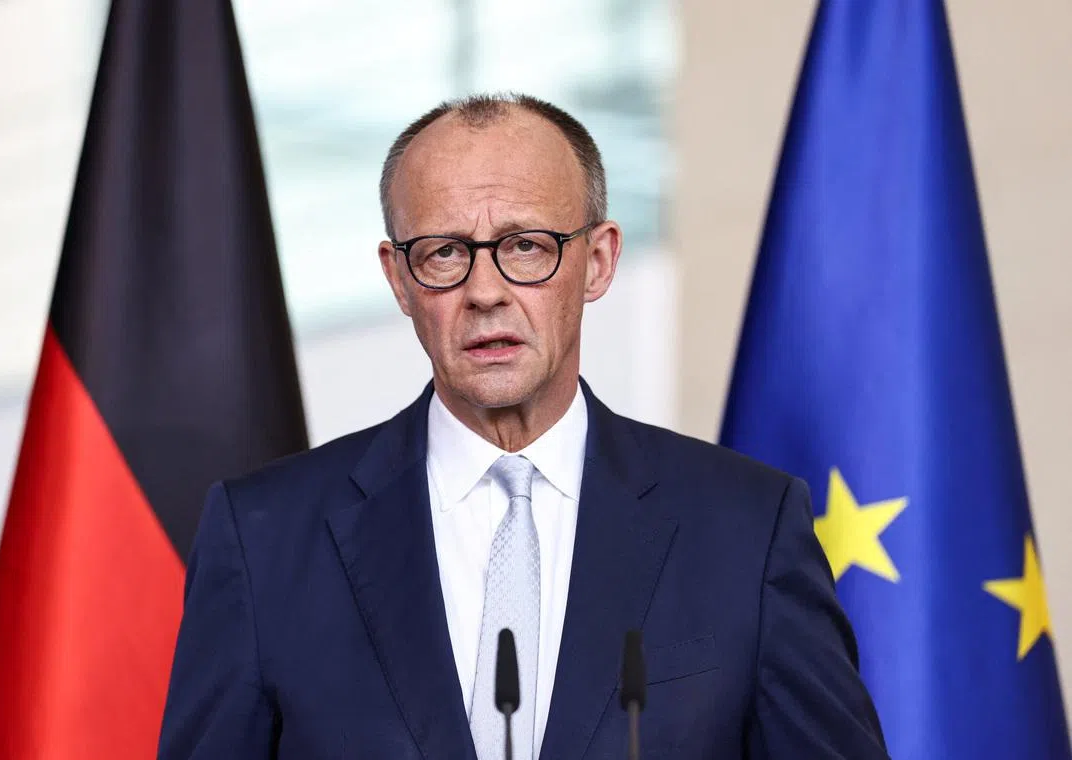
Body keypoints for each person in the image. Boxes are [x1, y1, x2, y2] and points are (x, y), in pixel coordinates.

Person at [157, 93, 889, 759]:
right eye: (443, 252)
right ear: (398, 280)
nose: (485, 292)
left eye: (526, 247)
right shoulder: (265, 537)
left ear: (598, 262)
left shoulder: (745, 530)